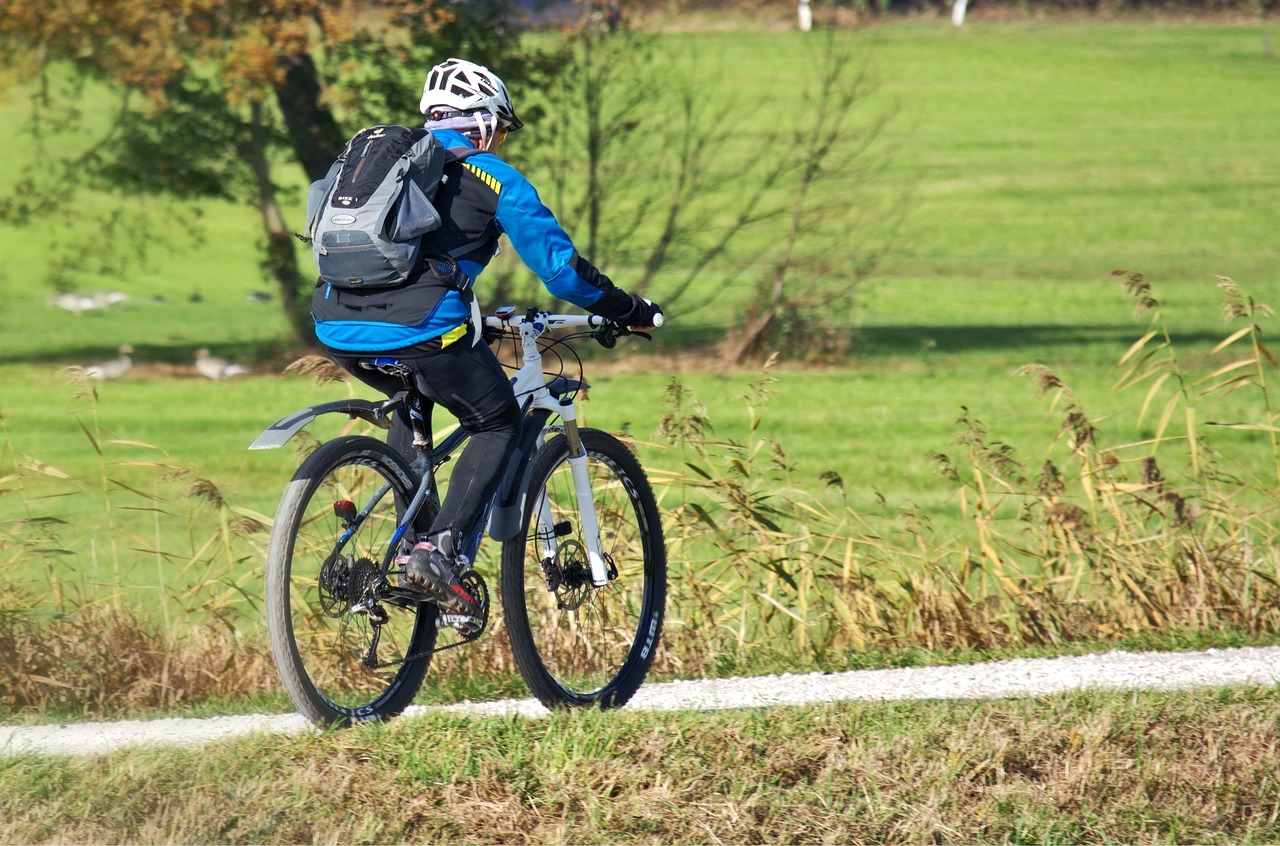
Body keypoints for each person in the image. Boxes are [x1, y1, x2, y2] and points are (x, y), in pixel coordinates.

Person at [312, 57, 662, 616]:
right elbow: (562, 272)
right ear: (481, 123)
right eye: (498, 128)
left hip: (335, 325)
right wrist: (630, 309)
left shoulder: (382, 167)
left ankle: (404, 553)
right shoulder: (492, 177)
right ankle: (438, 548)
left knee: (414, 397)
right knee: (495, 420)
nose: (497, 140)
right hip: (425, 328)